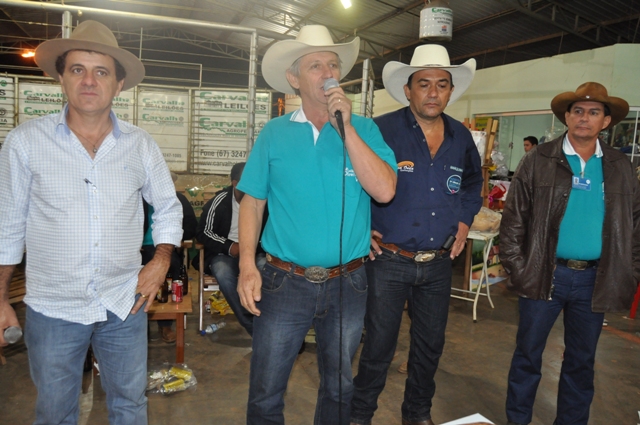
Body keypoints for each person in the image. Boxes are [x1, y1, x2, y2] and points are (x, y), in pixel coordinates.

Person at [0, 21, 183, 424]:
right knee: (55, 411)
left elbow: (169, 208)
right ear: (61, 78)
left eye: (101, 72)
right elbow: (8, 225)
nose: (89, 81)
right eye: (78, 69)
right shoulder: (26, 142)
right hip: (54, 306)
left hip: (124, 303)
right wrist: (0, 298)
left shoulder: (140, 145)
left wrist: (160, 261)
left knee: (130, 403)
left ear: (118, 85)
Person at [236, 25, 397, 425]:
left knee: (340, 387)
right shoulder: (274, 133)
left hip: (348, 283)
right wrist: (246, 266)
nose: (328, 74)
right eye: (315, 66)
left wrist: (347, 130)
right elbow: (252, 202)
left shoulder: (365, 129)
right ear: (294, 79)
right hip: (284, 281)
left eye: (333, 65)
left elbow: (384, 191)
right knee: (266, 388)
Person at [350, 44, 483, 425]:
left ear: (451, 91)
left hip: (439, 264)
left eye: (442, 84)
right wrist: (361, 227)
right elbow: (352, 179)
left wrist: (464, 221)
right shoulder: (380, 130)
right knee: (378, 346)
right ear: (408, 90)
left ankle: (417, 414)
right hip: (388, 260)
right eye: (424, 84)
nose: (433, 92)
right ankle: (360, 415)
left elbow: (472, 183)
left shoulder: (461, 136)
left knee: (429, 346)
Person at [500, 82, 640, 425]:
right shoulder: (539, 159)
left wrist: (631, 270)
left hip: (595, 280)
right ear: (567, 116)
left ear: (606, 121)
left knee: (581, 362)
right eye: (578, 111)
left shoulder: (620, 165)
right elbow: (514, 218)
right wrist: (519, 268)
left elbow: (635, 225)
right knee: (528, 356)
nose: (584, 118)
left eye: (593, 112)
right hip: (543, 274)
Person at [197, 162, 266, 336]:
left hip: (256, 252)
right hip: (225, 254)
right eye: (246, 181)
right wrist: (230, 246)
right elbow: (203, 232)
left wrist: (251, 247)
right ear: (235, 183)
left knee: (268, 269)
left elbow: (271, 232)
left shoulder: (263, 201)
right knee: (222, 271)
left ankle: (270, 322)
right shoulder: (220, 201)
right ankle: (252, 324)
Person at [142, 171, 197, 343]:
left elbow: (191, 226)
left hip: (165, 248)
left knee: (173, 267)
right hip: (138, 249)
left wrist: (175, 238)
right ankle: (141, 326)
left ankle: (165, 324)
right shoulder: (137, 199)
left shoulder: (178, 199)